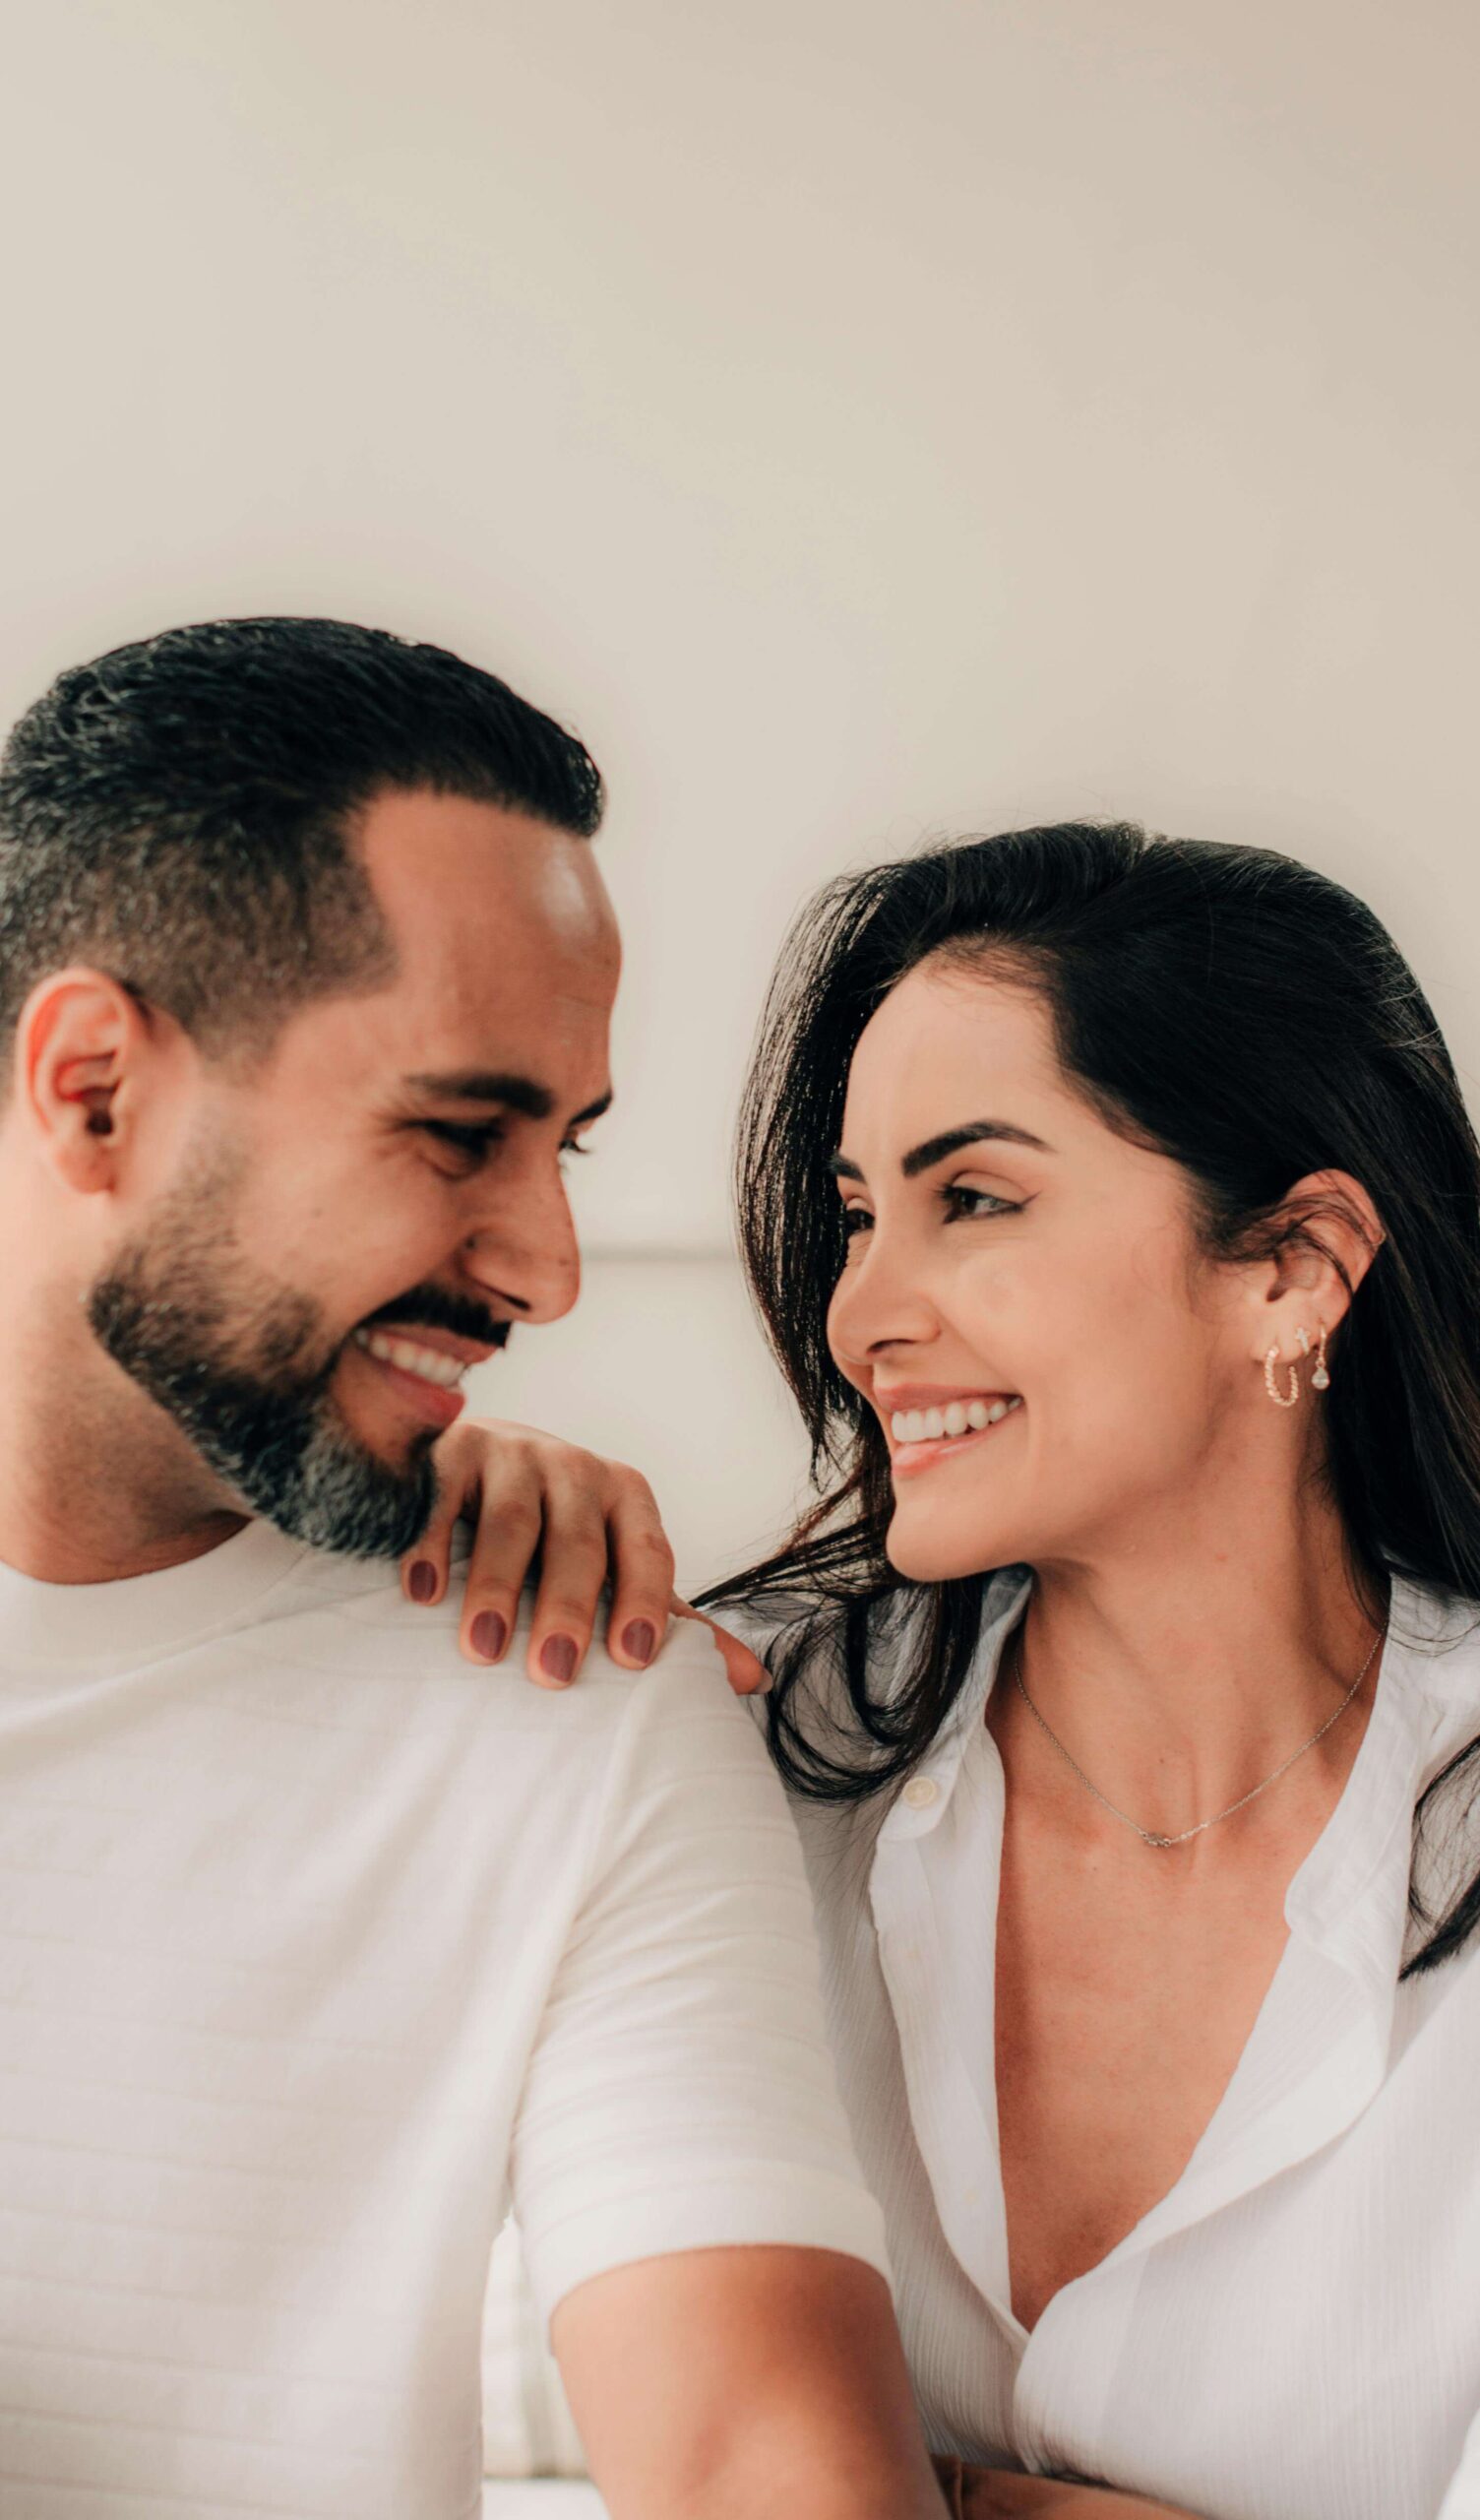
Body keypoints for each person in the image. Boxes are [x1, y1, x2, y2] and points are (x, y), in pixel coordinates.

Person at [433, 823, 1480, 2519]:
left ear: (1295, 1269)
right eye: (860, 1213)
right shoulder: (737, 1743)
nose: (861, 1310)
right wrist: (406, 1558)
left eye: (976, 1200)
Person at [0, 616, 949, 2520]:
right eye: (458, 1135)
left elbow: (763, 2455)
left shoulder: (564, 1688)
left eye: (568, 1149)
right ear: (94, 1088)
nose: (549, 1269)